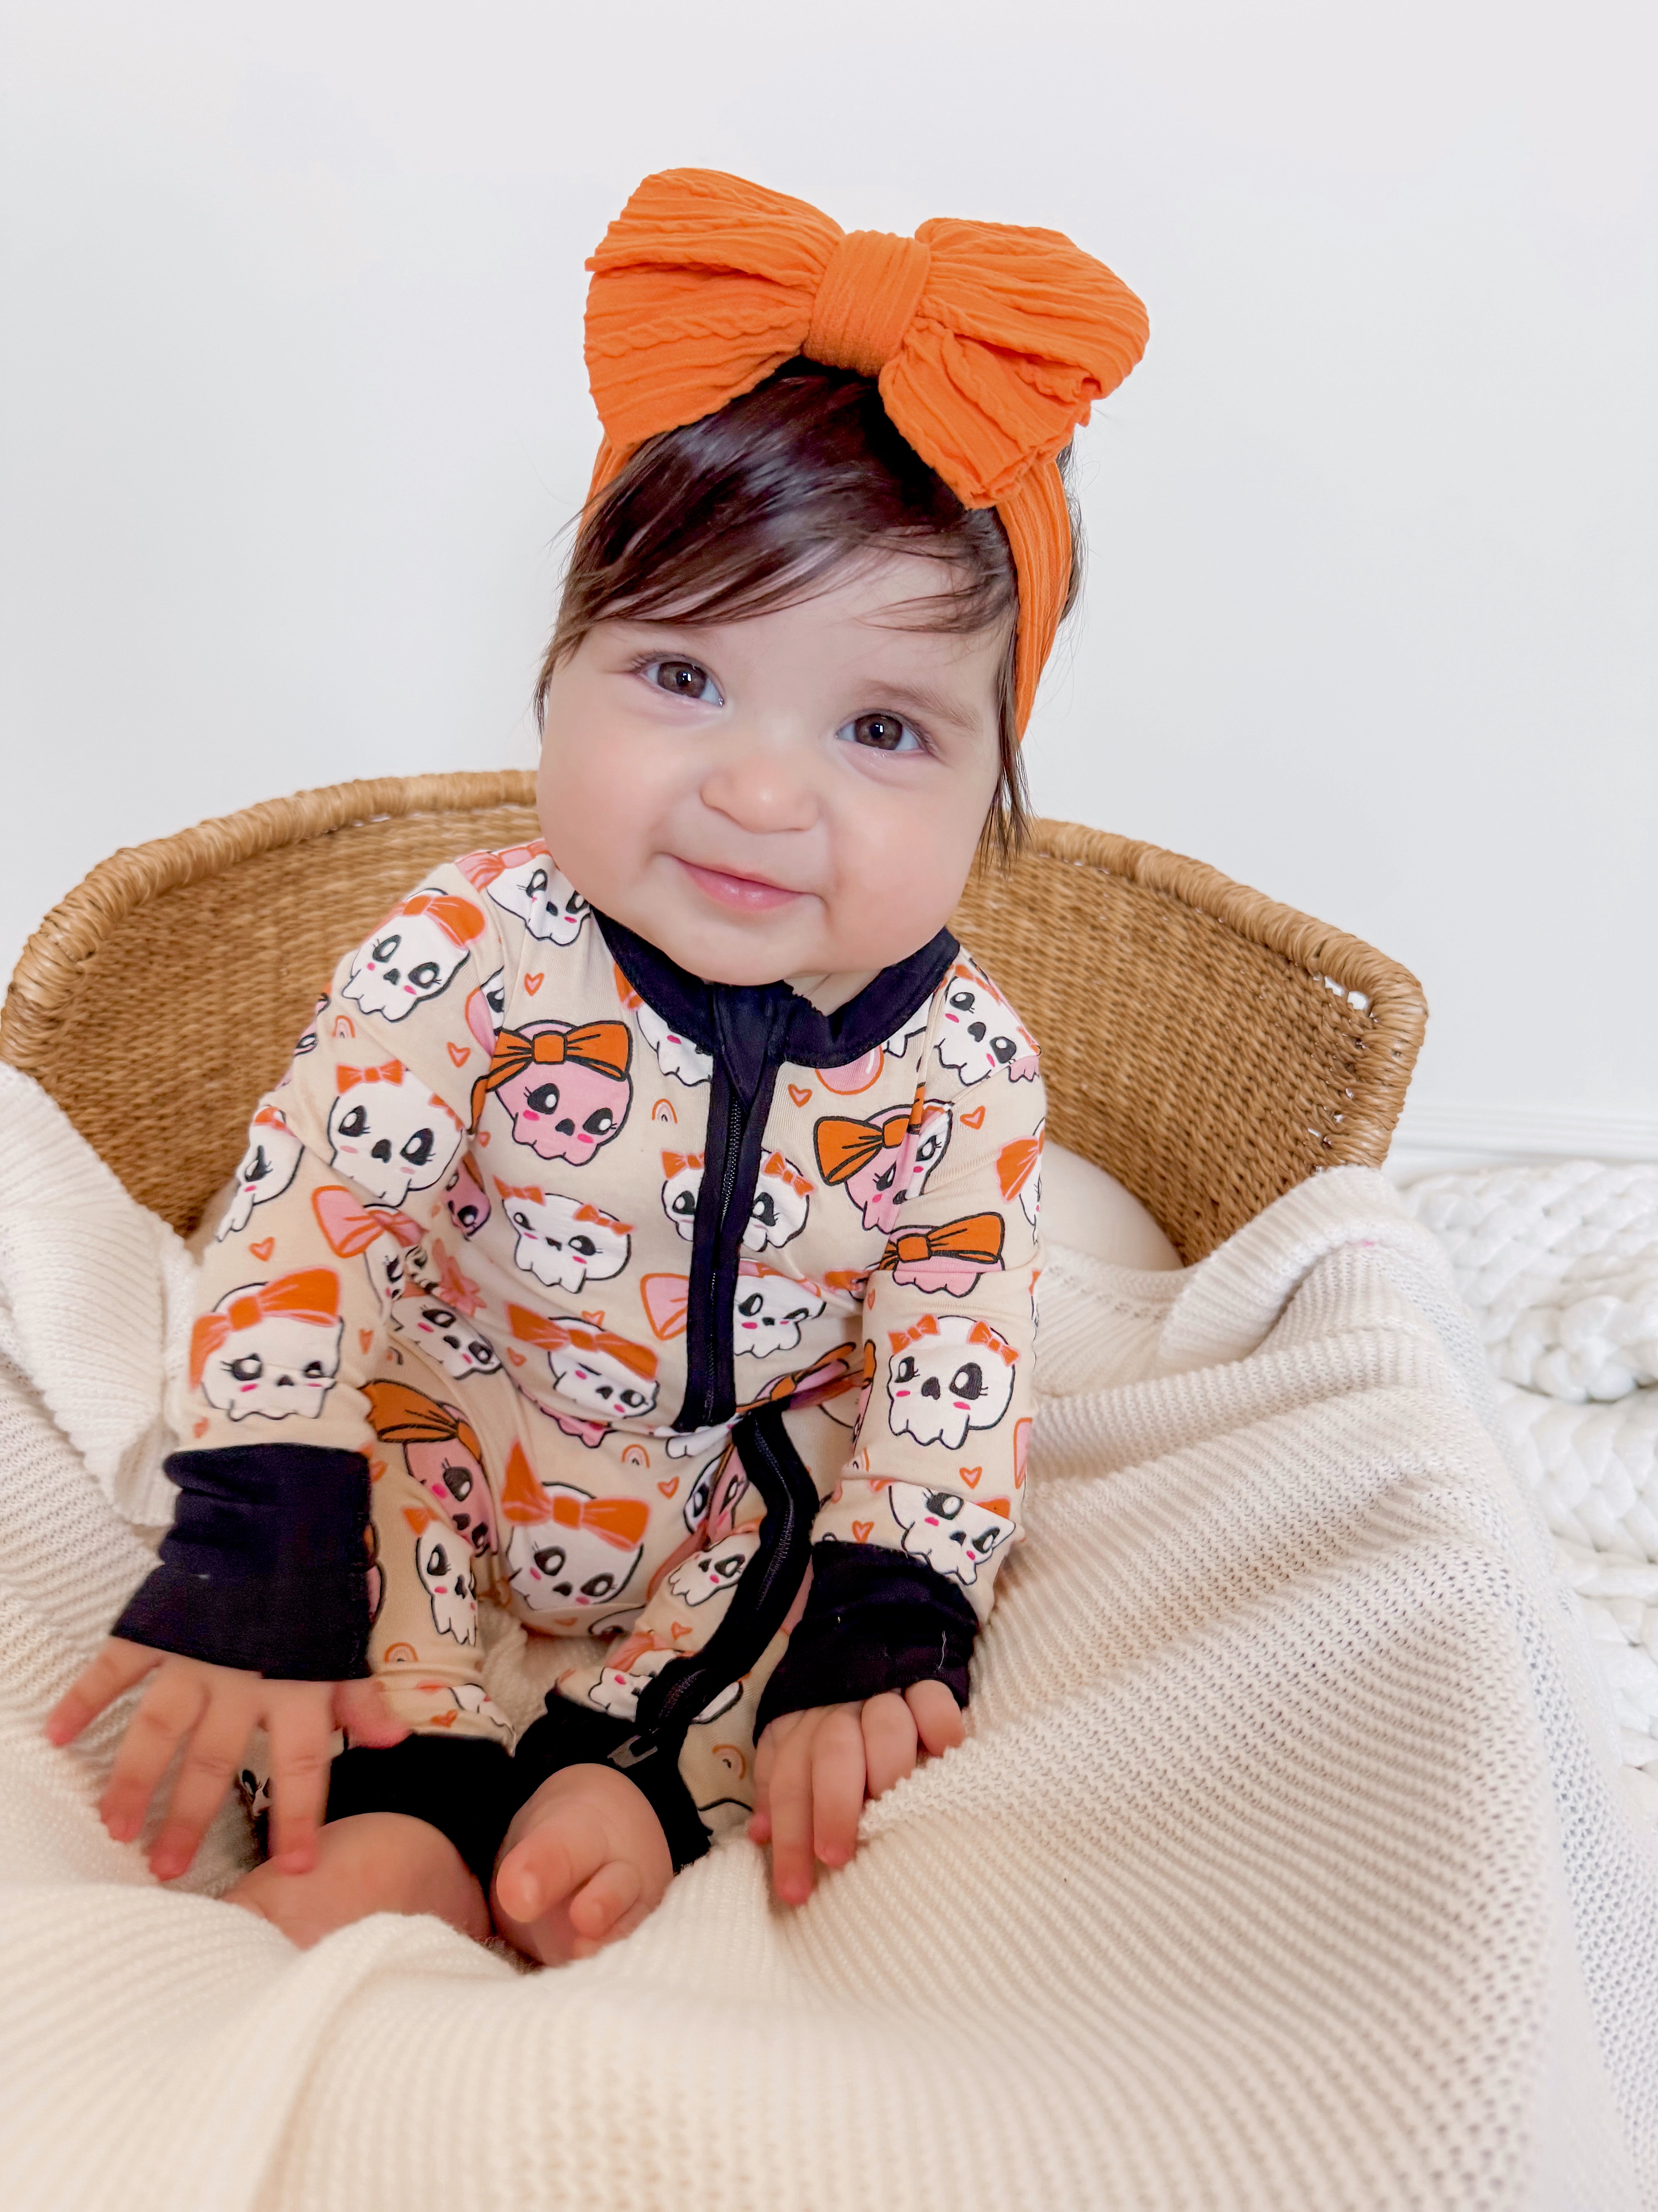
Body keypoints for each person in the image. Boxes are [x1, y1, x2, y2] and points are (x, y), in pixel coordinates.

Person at [46, 167, 1148, 1962]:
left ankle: (634, 1772)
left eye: (881, 728)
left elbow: (964, 1353)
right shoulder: (468, 951)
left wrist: (897, 1611)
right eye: (684, 677)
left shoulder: (966, 1067)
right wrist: (252, 1522)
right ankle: (410, 1806)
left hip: (732, 1484)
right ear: (554, 678)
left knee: (834, 1545)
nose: (762, 791)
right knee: (366, 1491)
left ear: (994, 780)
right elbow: (305, 1223)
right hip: (466, 1432)